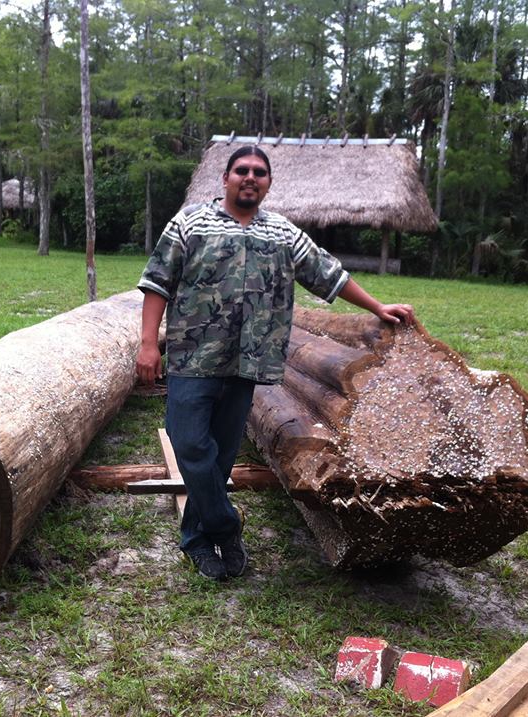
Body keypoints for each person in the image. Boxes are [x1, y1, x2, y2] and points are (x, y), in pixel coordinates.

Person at [136, 146, 414, 581]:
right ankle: (227, 526)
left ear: (268, 183)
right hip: (194, 357)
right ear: (225, 178)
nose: (250, 177)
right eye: (241, 170)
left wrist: (379, 306)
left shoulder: (283, 234)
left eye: (259, 173)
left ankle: (198, 540)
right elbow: (157, 283)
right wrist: (148, 343)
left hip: (250, 363)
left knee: (221, 457)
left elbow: (329, 274)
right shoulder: (189, 222)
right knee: (189, 443)